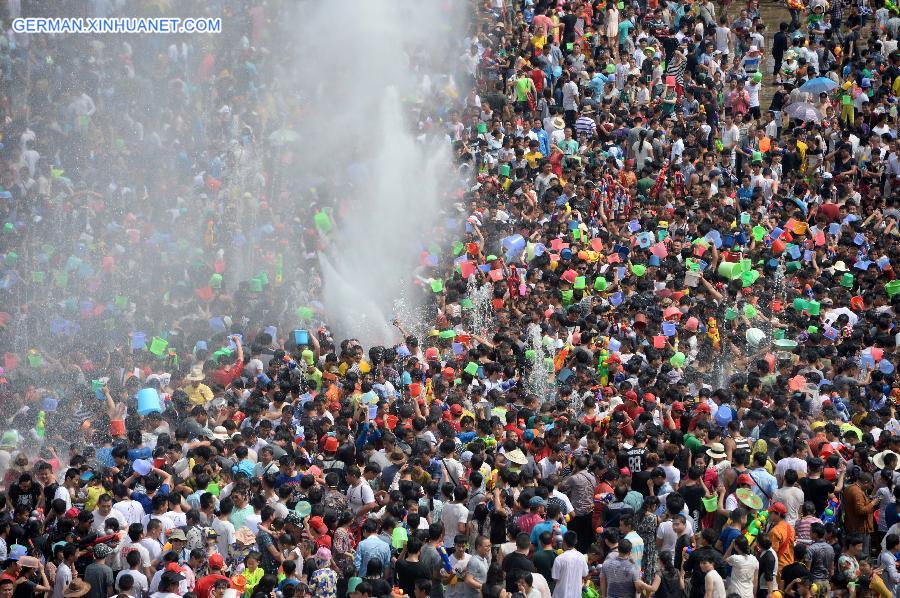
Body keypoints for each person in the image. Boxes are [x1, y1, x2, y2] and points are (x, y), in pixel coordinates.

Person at [552, 532, 589, 598]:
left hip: (560, 594)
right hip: (576, 594)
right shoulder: (581, 557)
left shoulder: (559, 559)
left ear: (564, 542)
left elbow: (555, 578)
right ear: (576, 542)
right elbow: (585, 573)